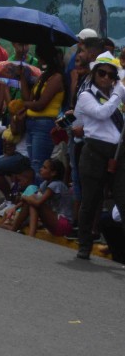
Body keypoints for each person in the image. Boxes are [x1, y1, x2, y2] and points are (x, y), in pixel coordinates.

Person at [73, 52, 125, 260]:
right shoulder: (86, 96)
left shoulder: (117, 95)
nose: (105, 78)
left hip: (118, 153)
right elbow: (102, 113)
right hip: (95, 152)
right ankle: (84, 245)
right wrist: (117, 95)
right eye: (101, 73)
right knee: (91, 201)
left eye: (110, 75)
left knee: (123, 200)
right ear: (95, 74)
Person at [18, 45, 66, 181]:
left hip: (45, 124)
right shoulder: (43, 77)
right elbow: (28, 98)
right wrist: (22, 78)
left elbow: (40, 105)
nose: (38, 62)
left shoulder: (57, 78)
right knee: (33, 164)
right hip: (32, 124)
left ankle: (39, 199)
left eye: (40, 58)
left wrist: (24, 105)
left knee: (39, 166)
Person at [10, 158, 73, 238]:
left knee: (34, 203)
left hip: (64, 225)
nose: (41, 169)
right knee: (31, 201)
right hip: (54, 223)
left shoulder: (56, 185)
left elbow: (38, 202)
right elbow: (33, 196)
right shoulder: (45, 183)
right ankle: (14, 229)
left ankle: (31, 235)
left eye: (44, 168)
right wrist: (15, 208)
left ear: (53, 173)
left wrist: (23, 196)